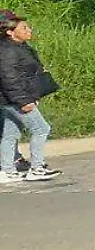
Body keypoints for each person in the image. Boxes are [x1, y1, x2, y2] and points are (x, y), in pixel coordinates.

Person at [0, 10, 59, 184]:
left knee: (10, 134)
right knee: (41, 129)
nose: (29, 29)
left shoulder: (18, 47)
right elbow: (8, 78)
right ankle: (37, 168)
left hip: (12, 100)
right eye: (24, 27)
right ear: (10, 32)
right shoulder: (7, 51)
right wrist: (23, 100)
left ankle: (7, 170)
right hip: (15, 100)